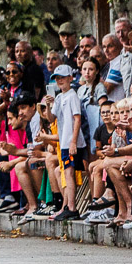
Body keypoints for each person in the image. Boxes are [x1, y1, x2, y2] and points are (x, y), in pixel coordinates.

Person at [50, 64, 84, 221]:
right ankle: (67, 206)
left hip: (71, 141)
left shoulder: (72, 96)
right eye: (57, 78)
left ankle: (72, 207)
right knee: (66, 173)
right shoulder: (59, 97)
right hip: (63, 141)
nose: (59, 80)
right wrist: (49, 105)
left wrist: (73, 141)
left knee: (69, 173)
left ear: (70, 78)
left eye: (62, 77)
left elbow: (77, 118)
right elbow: (51, 118)